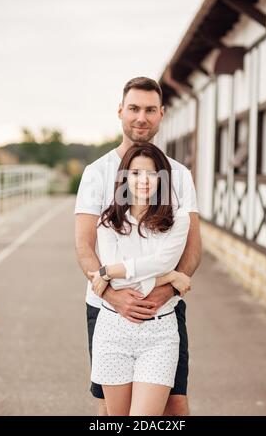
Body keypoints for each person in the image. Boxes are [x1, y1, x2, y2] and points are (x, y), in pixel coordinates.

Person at [75, 76, 202, 416]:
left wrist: (166, 291)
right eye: (133, 108)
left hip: (162, 311)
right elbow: (85, 246)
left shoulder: (179, 175)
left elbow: (191, 248)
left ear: (161, 115)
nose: (141, 117)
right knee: (111, 407)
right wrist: (113, 296)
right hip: (107, 308)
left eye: (149, 110)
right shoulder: (96, 172)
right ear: (120, 111)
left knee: (175, 404)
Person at [88, 142, 191, 415]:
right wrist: (169, 277)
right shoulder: (108, 220)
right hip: (113, 330)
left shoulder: (178, 219)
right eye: (135, 174)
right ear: (125, 178)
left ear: (163, 178)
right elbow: (122, 285)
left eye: (151, 173)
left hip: (159, 334)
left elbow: (160, 262)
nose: (143, 181)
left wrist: (109, 271)